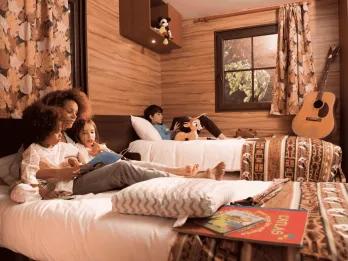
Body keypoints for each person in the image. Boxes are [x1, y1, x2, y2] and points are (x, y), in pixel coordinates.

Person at [11, 103, 225, 203]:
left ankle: (192, 176)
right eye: (57, 131)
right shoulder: (33, 152)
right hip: (71, 186)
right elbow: (26, 184)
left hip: (81, 175)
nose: (61, 135)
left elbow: (76, 159)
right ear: (42, 131)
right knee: (123, 168)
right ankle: (188, 179)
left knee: (126, 165)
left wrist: (76, 163)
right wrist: (55, 177)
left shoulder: (64, 146)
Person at [69, 118, 221, 177]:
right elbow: (84, 168)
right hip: (111, 172)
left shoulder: (99, 146)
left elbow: (116, 157)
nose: (90, 137)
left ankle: (180, 171)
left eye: (92, 132)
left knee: (147, 165)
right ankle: (188, 175)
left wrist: (104, 150)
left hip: (119, 165)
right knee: (144, 169)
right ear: (77, 135)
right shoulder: (78, 149)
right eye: (84, 133)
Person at [143, 104, 228, 140]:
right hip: (175, 136)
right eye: (158, 114)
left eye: (161, 114)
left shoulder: (162, 125)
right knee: (179, 119)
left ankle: (194, 122)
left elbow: (167, 131)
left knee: (204, 118)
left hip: (176, 132)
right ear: (151, 116)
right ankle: (193, 122)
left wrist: (173, 129)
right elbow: (165, 138)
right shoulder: (152, 128)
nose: (161, 116)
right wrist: (173, 131)